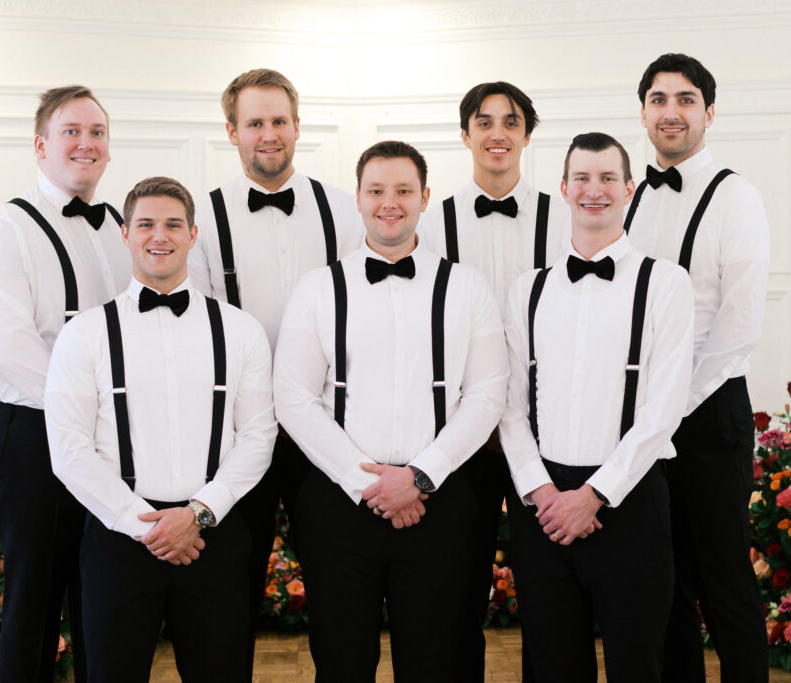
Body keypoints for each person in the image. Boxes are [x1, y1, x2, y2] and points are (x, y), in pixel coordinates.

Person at [274, 141, 508, 682]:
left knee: (435, 661)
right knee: (341, 659)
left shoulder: (467, 287)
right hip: (339, 504)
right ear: (357, 198)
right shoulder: (317, 288)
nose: (389, 202)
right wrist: (369, 483)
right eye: (376, 190)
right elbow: (293, 397)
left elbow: (487, 394)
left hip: (439, 503)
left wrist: (420, 477)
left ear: (425, 198)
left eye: (403, 190)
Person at [45, 177, 277, 682]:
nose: (160, 236)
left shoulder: (241, 330)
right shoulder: (83, 334)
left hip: (213, 537)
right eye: (146, 224)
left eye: (174, 224)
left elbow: (259, 437)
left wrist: (198, 513)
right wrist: (144, 525)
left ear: (193, 235)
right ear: (125, 234)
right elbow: (69, 450)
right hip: (118, 540)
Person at [500, 132, 694, 681]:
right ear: (564, 189)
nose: (594, 190)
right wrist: (541, 493)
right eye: (582, 178)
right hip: (543, 506)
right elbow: (509, 405)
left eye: (608, 178)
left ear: (629, 189)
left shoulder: (665, 284)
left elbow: (664, 409)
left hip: (629, 500)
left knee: (638, 664)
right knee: (552, 664)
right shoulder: (528, 290)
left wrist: (595, 496)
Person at [187, 69, 363, 665]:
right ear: (231, 131)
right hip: (241, 434)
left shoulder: (346, 210)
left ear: (297, 126)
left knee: (340, 597)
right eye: (255, 123)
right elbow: (199, 330)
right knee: (227, 597)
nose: (269, 134)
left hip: (328, 432)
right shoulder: (202, 221)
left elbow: (363, 317)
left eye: (279, 121)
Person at [0, 85, 130, 682]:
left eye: (97, 133)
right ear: (40, 145)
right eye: (71, 132)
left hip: (111, 438)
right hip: (34, 434)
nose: (87, 143)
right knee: (33, 599)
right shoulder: (3, 228)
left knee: (103, 595)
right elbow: (12, 352)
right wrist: (89, 413)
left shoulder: (122, 227)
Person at [419, 80, 571, 681]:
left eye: (510, 122)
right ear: (465, 136)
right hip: (465, 435)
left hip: (547, 432)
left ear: (527, 135)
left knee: (550, 594)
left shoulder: (566, 219)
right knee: (458, 587)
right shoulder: (431, 224)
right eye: (484, 122)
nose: (497, 133)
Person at [626, 53, 771, 682]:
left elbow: (738, 327)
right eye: (658, 99)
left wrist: (668, 407)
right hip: (642, 422)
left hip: (707, 414)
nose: (671, 112)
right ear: (644, 113)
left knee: (724, 579)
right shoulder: (629, 197)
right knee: (663, 581)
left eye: (685, 100)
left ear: (708, 113)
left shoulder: (736, 195)